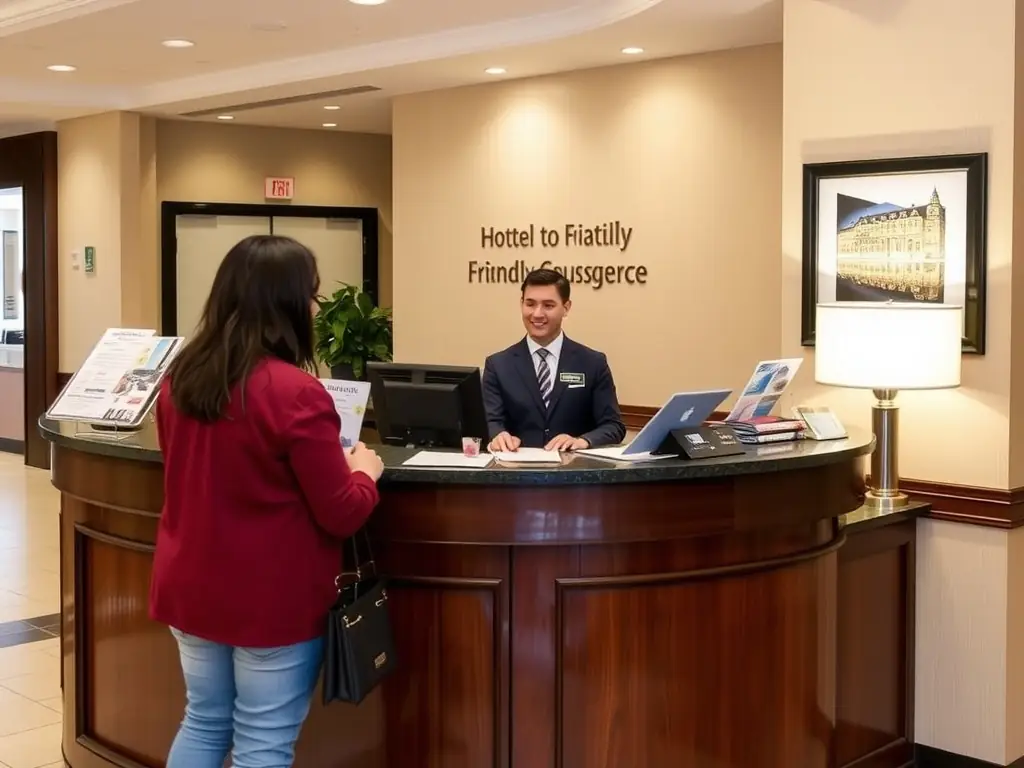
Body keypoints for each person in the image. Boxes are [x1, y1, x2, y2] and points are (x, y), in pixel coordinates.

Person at [149, 234, 384, 768]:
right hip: (267, 601)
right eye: (311, 295)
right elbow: (342, 511)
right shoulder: (297, 392)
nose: (315, 308)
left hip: (190, 586)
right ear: (285, 303)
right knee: (262, 743)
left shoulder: (179, 380)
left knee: (203, 722)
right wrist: (364, 473)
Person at [483, 268, 626, 452]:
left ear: (566, 308)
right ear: (521, 304)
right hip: (516, 474)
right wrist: (497, 435)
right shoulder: (498, 365)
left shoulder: (593, 363)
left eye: (548, 305)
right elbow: (491, 422)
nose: (537, 314)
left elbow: (613, 426)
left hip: (576, 475)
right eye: (530, 304)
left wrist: (582, 441)